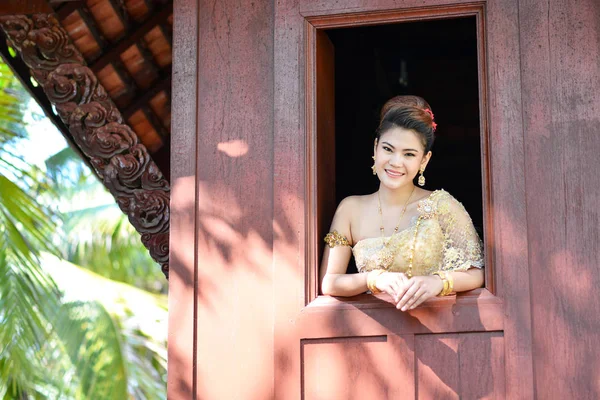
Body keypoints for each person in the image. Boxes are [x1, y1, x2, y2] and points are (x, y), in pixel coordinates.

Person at [319, 95, 484, 311]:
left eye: (409, 154)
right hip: (376, 331)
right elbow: (329, 282)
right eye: (388, 149)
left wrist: (438, 282)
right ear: (375, 147)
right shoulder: (350, 209)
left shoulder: (442, 205)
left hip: (437, 330)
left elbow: (477, 272)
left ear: (424, 160)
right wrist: (374, 279)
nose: (396, 162)